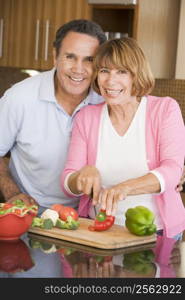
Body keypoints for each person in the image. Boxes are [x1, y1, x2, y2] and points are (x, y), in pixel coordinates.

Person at [61, 37, 185, 238]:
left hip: (157, 231)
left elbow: (172, 170)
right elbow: (68, 180)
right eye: (104, 71)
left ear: (137, 75)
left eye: (122, 72)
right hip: (99, 231)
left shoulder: (164, 110)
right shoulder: (86, 117)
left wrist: (124, 188)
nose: (111, 81)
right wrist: (81, 176)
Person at [0, 19, 106, 211]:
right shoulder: (19, 98)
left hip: (88, 215)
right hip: (33, 212)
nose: (78, 69)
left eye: (89, 59)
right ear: (55, 56)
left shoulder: (107, 100)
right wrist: (13, 193)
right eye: (70, 57)